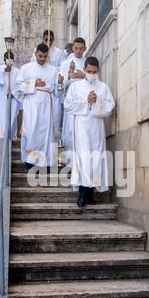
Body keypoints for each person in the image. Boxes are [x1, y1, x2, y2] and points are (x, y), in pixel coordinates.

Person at [64, 57, 115, 207]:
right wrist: (86, 101)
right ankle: (82, 193)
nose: (91, 74)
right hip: (81, 126)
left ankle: (91, 193)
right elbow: (67, 106)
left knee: (96, 159)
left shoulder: (104, 87)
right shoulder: (75, 86)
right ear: (84, 69)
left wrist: (97, 101)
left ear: (98, 70)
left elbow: (110, 105)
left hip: (96, 127)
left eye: (94, 71)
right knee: (83, 158)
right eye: (89, 71)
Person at [13, 43, 64, 170]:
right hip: (31, 103)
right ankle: (29, 160)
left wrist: (59, 83)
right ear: (35, 54)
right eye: (40, 56)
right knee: (31, 131)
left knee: (45, 133)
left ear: (48, 56)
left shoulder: (53, 70)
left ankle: (45, 161)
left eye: (45, 56)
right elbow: (17, 86)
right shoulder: (26, 68)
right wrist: (33, 83)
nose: (42, 59)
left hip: (47, 104)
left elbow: (57, 93)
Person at [31, 30, 66, 140]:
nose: (48, 42)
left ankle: (54, 142)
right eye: (46, 39)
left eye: (50, 40)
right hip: (37, 93)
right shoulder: (36, 51)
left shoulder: (59, 53)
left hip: (51, 91)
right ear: (43, 39)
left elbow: (63, 68)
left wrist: (52, 68)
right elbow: (34, 67)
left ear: (53, 40)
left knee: (54, 119)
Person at [60, 37, 86, 156]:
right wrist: (69, 78)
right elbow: (61, 86)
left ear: (84, 49)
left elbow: (95, 80)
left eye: (81, 48)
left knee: (82, 130)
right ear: (73, 48)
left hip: (84, 101)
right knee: (70, 130)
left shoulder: (87, 62)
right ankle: (70, 160)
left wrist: (83, 75)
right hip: (72, 99)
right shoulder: (65, 64)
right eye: (76, 48)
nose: (79, 51)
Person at [0, 52, 21, 139]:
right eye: (7, 58)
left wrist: (14, 94)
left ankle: (9, 136)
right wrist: (4, 71)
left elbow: (20, 85)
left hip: (13, 99)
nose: (9, 60)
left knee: (12, 118)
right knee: (1, 118)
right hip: (1, 99)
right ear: (4, 59)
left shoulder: (17, 71)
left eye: (10, 58)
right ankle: (0, 136)